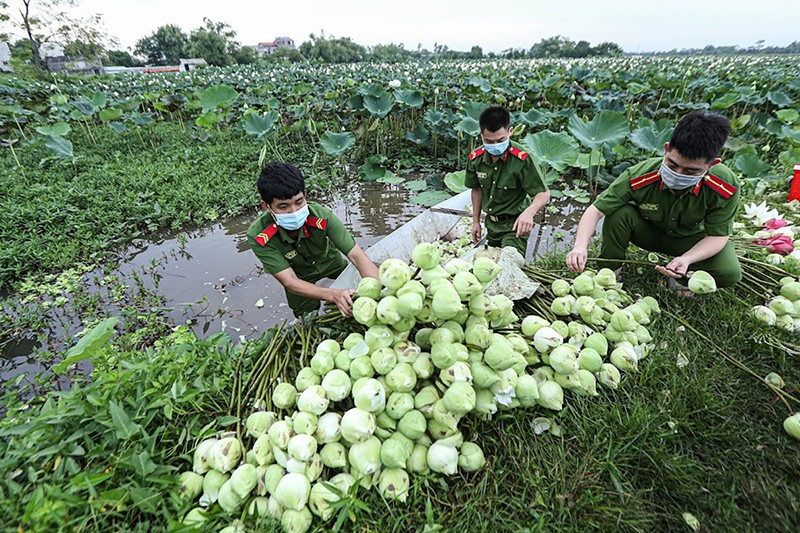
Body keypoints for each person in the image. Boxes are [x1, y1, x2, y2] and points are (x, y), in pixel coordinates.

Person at [566, 111, 742, 293]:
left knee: (729, 272)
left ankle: (682, 279)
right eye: (672, 165)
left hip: (690, 241)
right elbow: (595, 210)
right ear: (666, 149)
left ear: (712, 165)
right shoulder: (640, 175)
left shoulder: (725, 186)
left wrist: (687, 259)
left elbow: (718, 236)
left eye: (690, 172)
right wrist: (580, 247)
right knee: (618, 213)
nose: (678, 174)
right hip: (649, 234)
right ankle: (611, 272)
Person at [247, 162, 379, 318]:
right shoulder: (259, 236)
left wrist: (378, 290)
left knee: (355, 289)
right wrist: (334, 294)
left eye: (299, 202)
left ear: (304, 194)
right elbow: (290, 281)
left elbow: (356, 255)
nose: (294, 211)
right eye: (283, 207)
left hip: (330, 263)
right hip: (299, 277)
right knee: (307, 318)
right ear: (267, 206)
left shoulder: (321, 216)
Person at [465, 105, 551, 257]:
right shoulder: (475, 159)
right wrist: (476, 222)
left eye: (500, 140)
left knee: (509, 263)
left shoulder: (522, 159)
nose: (495, 146)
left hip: (515, 225)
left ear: (510, 131)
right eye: (489, 141)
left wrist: (529, 213)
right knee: (490, 266)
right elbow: (476, 189)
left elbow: (543, 194)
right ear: (481, 134)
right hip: (492, 225)